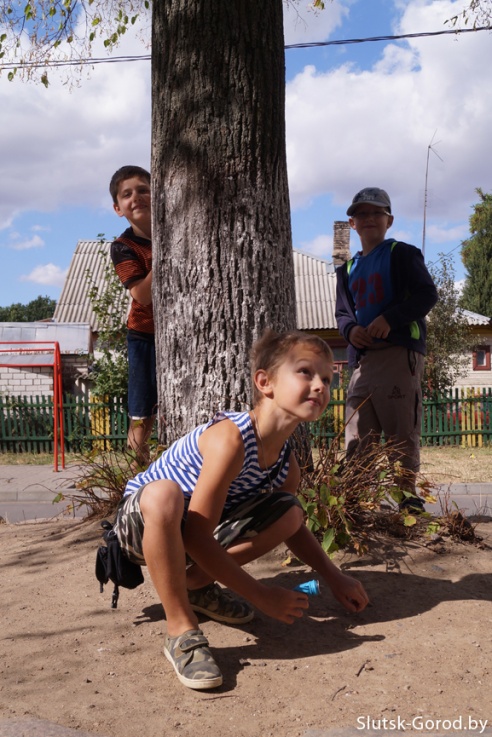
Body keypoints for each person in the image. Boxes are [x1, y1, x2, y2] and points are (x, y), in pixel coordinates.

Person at [113, 329, 369, 690]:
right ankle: (181, 630)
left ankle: (196, 587)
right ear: (265, 382)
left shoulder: (285, 461)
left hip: (188, 537)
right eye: (305, 372)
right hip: (142, 525)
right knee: (164, 495)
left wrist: (333, 575)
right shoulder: (230, 438)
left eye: (327, 379)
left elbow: (290, 527)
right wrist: (261, 595)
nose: (319, 386)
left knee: (289, 511)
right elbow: (197, 536)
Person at [335, 187, 438, 511]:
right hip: (362, 361)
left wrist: (389, 319)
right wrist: (351, 330)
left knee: (400, 430)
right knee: (357, 431)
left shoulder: (402, 254)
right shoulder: (347, 269)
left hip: (397, 353)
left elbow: (426, 295)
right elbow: (342, 313)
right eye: (361, 214)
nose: (369, 219)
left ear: (389, 220)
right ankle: (357, 499)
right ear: (352, 223)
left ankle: (406, 500)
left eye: (376, 213)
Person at [109, 165, 156, 470]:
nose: (136, 197)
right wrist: (168, 252)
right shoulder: (122, 247)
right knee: (142, 412)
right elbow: (142, 295)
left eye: (143, 189)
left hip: (184, 337)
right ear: (118, 208)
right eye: (127, 194)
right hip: (145, 337)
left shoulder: (184, 228)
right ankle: (136, 476)